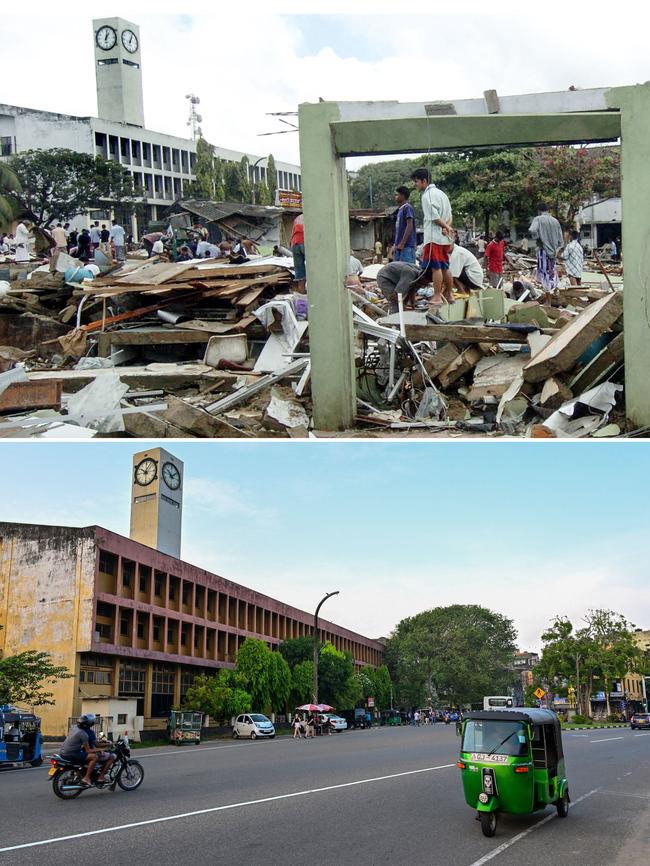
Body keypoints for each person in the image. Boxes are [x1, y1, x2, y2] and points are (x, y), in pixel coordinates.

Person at [411, 167, 454, 305]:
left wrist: (445, 227)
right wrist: (447, 226)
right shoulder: (442, 194)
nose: (415, 184)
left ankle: (436, 296)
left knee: (436, 267)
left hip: (434, 237)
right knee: (445, 267)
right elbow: (450, 215)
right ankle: (449, 294)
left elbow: (434, 217)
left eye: (416, 181)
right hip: (444, 238)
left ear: (424, 181)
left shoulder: (427, 195)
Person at [59, 713, 114, 787]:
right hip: (72, 754)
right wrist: (100, 749)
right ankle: (88, 778)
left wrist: (98, 747)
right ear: (90, 724)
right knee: (95, 757)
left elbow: (89, 744)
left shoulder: (74, 728)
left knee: (93, 754)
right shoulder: (84, 734)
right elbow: (88, 750)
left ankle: (90, 773)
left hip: (63, 752)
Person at [529, 203, 563, 292]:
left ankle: (548, 297)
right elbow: (560, 240)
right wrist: (557, 249)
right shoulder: (555, 221)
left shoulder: (538, 219)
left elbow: (532, 230)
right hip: (553, 252)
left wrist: (537, 237)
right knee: (552, 273)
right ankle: (553, 293)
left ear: (539, 211)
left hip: (543, 250)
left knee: (544, 273)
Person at [391, 186, 417, 263]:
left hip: (406, 247)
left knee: (407, 270)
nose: (395, 197)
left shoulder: (407, 207)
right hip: (398, 247)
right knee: (398, 271)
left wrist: (402, 243)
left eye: (397, 195)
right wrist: (395, 245)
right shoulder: (399, 210)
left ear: (402, 196)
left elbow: (410, 225)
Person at [291, 213, 306, 293]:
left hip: (294, 244)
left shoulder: (298, 218)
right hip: (305, 242)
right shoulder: (312, 217)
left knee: (300, 272)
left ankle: (301, 293)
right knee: (314, 269)